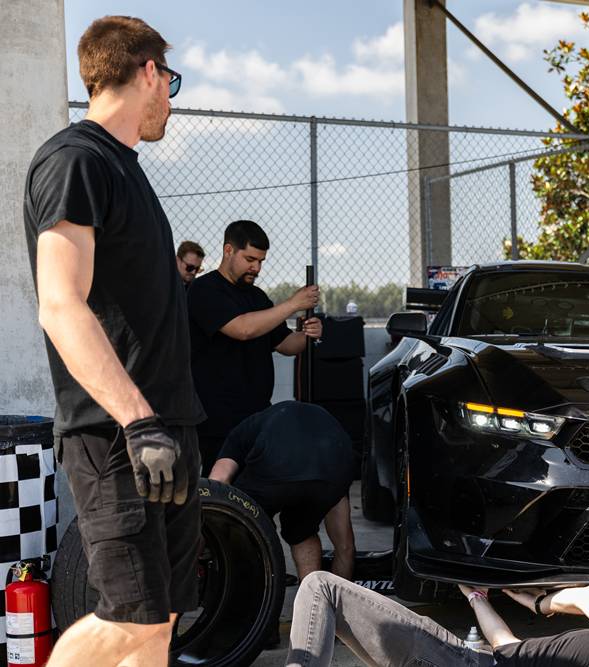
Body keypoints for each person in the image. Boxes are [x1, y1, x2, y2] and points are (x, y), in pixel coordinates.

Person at [22, 16, 203, 667]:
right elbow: (60, 303)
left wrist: (168, 425)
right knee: (127, 620)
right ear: (149, 72)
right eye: (171, 81)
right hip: (117, 434)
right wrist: (139, 420)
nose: (172, 100)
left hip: (166, 427)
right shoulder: (77, 161)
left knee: (160, 620)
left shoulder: (127, 172)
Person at [285, 575, 589, 667]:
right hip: (477, 658)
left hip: (462, 661)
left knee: (322, 587)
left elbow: (586, 596)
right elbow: (504, 645)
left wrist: (541, 604)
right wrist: (476, 598)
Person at [187, 220, 322, 474]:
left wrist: (308, 334)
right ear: (229, 250)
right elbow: (243, 329)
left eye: (261, 261)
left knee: (256, 491)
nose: (256, 268)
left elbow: (285, 344)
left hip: (257, 415)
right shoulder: (204, 290)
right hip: (216, 419)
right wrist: (292, 304)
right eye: (250, 259)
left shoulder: (257, 297)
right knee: (221, 495)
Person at [208, 401, 356, 580]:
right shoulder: (324, 436)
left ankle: (248, 587)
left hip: (277, 465)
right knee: (302, 532)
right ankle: (313, 604)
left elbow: (217, 484)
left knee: (245, 520)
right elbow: (345, 547)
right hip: (338, 464)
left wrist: (208, 537)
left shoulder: (242, 432)